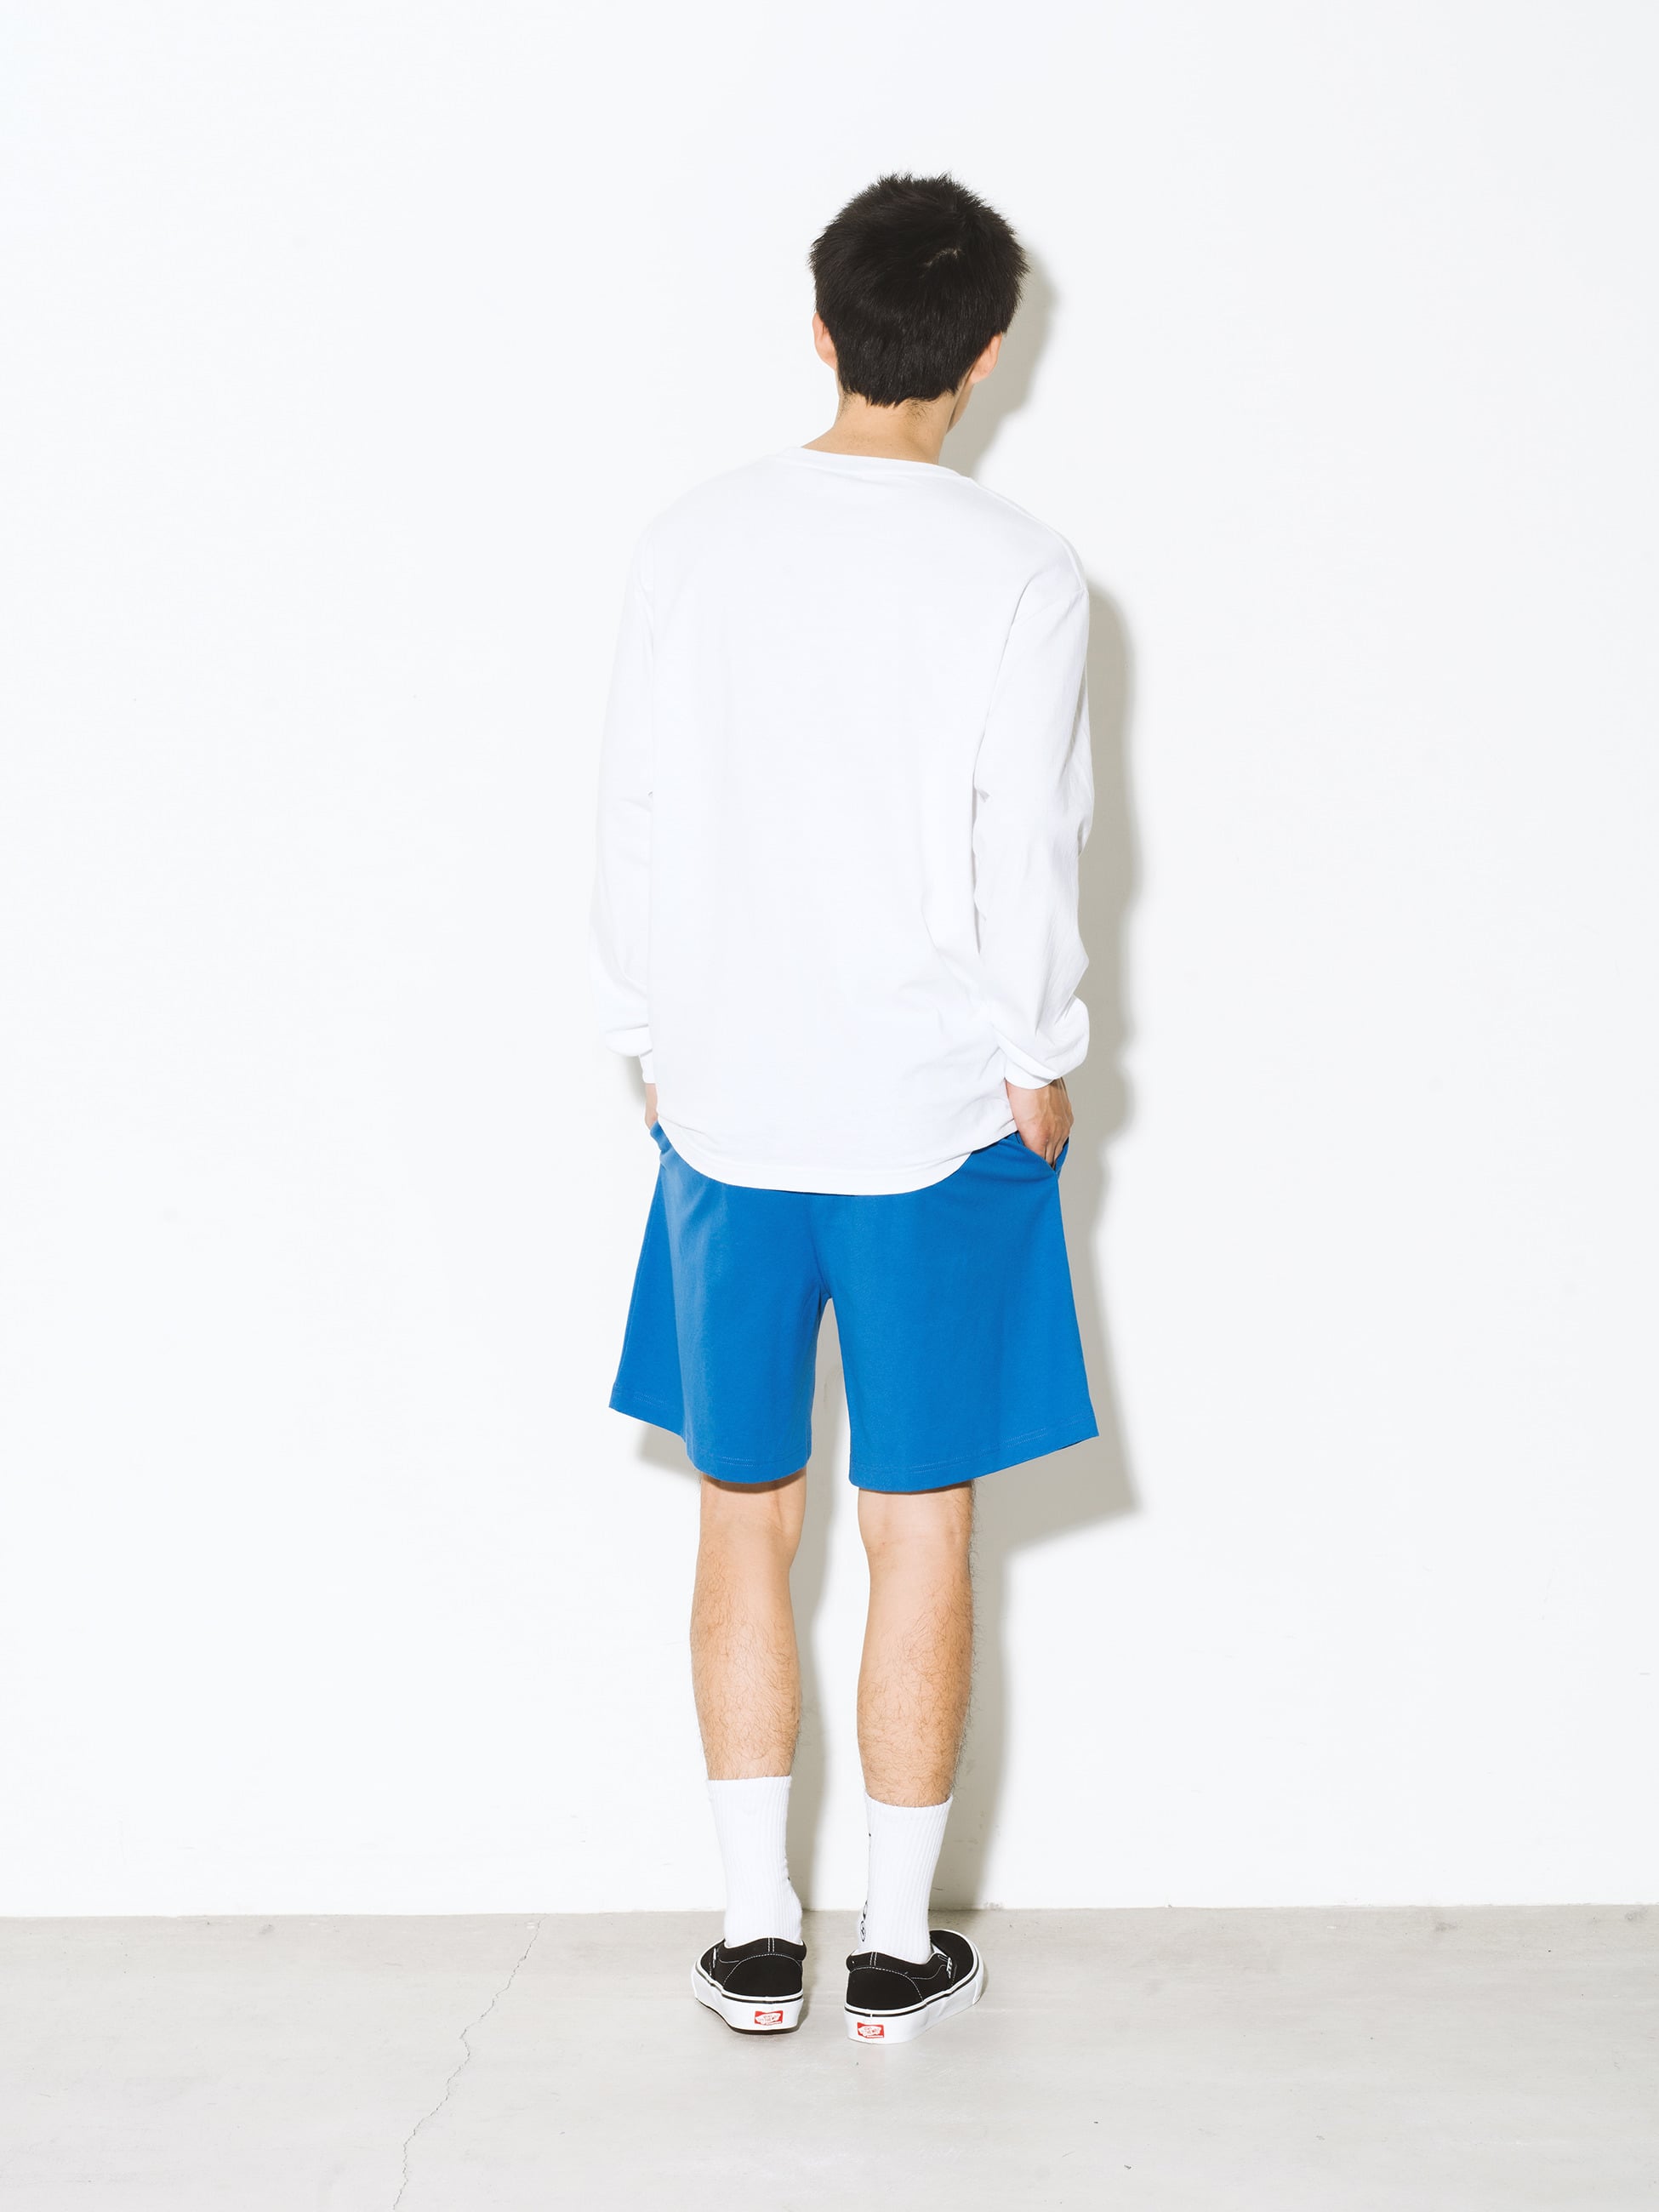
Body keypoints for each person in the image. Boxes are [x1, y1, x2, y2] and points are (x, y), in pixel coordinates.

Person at [590, 172, 1096, 2044]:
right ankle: (890, 1945)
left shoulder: (693, 538)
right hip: (932, 1114)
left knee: (745, 1515)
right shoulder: (1020, 568)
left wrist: (651, 1030)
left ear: (821, 328)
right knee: (920, 1523)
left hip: (726, 1107)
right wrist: (1039, 1050)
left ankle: (750, 1936)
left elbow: (635, 805)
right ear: (985, 353)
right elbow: (1024, 846)